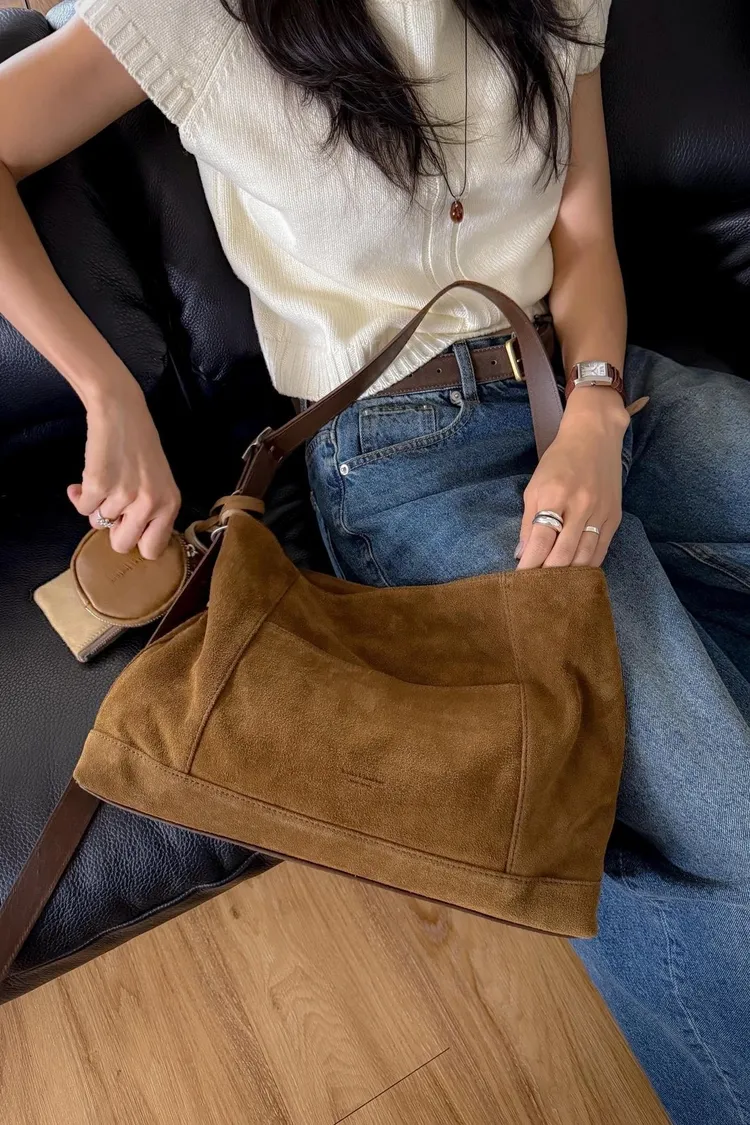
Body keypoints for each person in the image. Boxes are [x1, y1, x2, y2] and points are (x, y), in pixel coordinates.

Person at [0, 2, 748, 1120]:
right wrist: (108, 391)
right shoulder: (195, 13)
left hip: (593, 384)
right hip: (406, 451)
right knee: (721, 825)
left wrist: (594, 408)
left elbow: (583, 237)